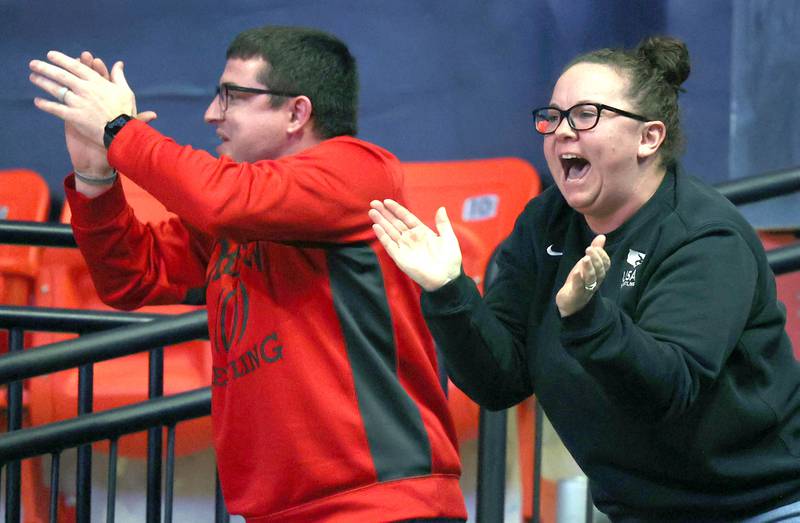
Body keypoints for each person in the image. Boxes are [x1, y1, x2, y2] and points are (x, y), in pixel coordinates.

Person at [28, 26, 467, 523]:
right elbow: (130, 277)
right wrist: (95, 176)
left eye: (232, 97)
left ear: (296, 112)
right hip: (274, 510)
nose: (212, 114)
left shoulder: (357, 169)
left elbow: (217, 198)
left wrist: (119, 129)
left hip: (380, 504)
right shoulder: (235, 218)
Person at [369, 36, 800, 522]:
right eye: (553, 117)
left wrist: (587, 316)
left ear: (648, 138)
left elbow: (668, 391)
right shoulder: (546, 220)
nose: (561, 132)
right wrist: (449, 291)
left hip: (762, 505)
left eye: (586, 115)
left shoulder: (705, 237)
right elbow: (501, 380)